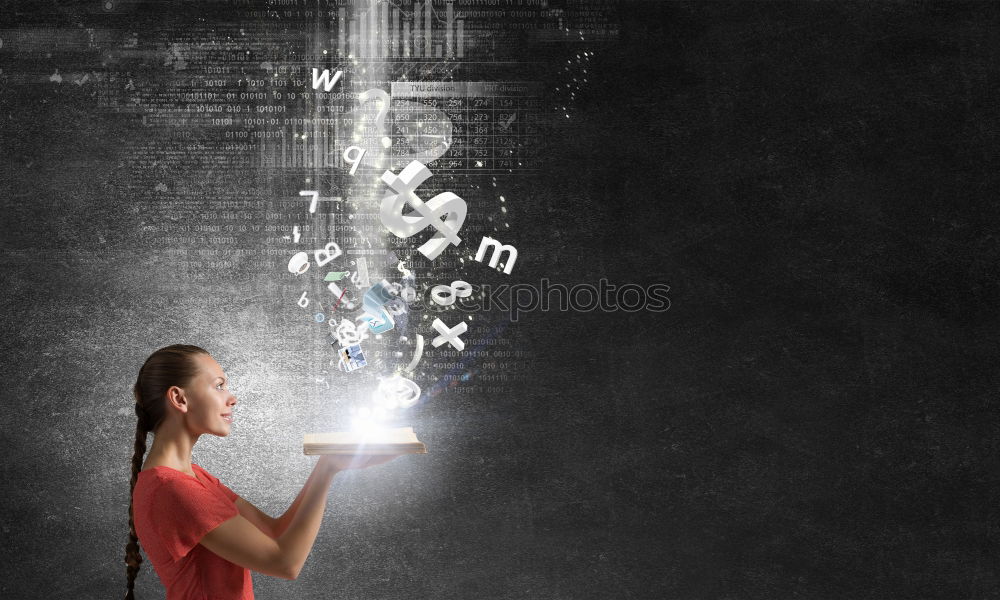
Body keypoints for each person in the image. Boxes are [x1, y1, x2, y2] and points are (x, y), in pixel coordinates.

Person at [125, 344, 399, 599]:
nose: (232, 398)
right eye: (219, 386)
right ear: (179, 398)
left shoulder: (193, 477)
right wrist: (327, 467)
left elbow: (274, 531)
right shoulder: (175, 489)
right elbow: (285, 562)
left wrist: (331, 464)